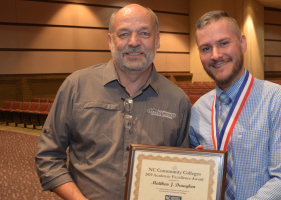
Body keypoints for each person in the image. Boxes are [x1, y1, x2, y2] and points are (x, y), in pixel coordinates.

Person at [35, 4, 191, 200]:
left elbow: (183, 173)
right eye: (124, 34)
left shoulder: (178, 102)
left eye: (144, 33)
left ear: (157, 40)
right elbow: (48, 157)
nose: (134, 42)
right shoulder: (76, 86)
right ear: (110, 41)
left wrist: (196, 166)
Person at [190, 11, 281, 200]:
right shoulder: (198, 110)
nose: (216, 55)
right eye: (205, 48)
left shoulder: (278, 100)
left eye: (224, 43)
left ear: (243, 43)